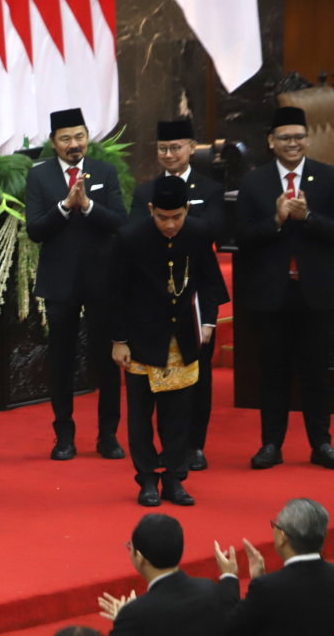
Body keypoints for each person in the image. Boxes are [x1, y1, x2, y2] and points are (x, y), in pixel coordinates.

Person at [110, 177, 228, 506]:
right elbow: (114, 294)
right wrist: (119, 340)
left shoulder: (198, 232)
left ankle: (175, 479)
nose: (170, 224)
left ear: (187, 210)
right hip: (140, 340)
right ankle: (147, 479)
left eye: (177, 216)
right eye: (162, 217)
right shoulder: (130, 237)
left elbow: (210, 281)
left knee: (178, 416)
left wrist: (207, 321)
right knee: (140, 416)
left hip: (183, 339)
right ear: (151, 210)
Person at [25, 108, 127, 461]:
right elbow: (35, 230)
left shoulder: (104, 171)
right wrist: (65, 207)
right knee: (62, 361)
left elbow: (120, 221)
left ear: (87, 138)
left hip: (103, 281)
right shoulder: (38, 177)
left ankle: (108, 435)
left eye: (79, 136)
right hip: (59, 283)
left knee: (107, 360)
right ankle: (64, 437)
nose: (74, 144)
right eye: (66, 138)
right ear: (53, 143)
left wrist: (88, 205)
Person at [236, 106, 334, 471]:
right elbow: (242, 237)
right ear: (271, 142)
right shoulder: (254, 182)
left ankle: (321, 444)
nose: (292, 144)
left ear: (308, 139)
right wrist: (276, 221)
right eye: (284, 138)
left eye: (297, 137)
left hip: (317, 293)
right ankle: (271, 445)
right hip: (271, 296)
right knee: (273, 373)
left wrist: (307, 217)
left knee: (316, 374)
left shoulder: (328, 178)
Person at [129, 119, 224, 472]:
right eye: (162, 149)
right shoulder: (145, 191)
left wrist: (182, 221)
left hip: (195, 294)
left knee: (198, 376)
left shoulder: (210, 187)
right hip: (153, 294)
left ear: (191, 147)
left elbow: (214, 227)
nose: (169, 154)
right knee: (150, 384)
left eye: (176, 147)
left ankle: (194, 445)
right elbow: (134, 234)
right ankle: (160, 454)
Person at [214, 498, 334, 634]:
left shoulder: (268, 587)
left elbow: (229, 628)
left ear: (283, 537)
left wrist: (228, 576)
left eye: (275, 525)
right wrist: (259, 579)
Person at [98, 514, 225, 635]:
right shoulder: (210, 588)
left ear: (140, 558)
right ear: (182, 549)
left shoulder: (134, 614)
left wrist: (123, 622)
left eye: (130, 547)